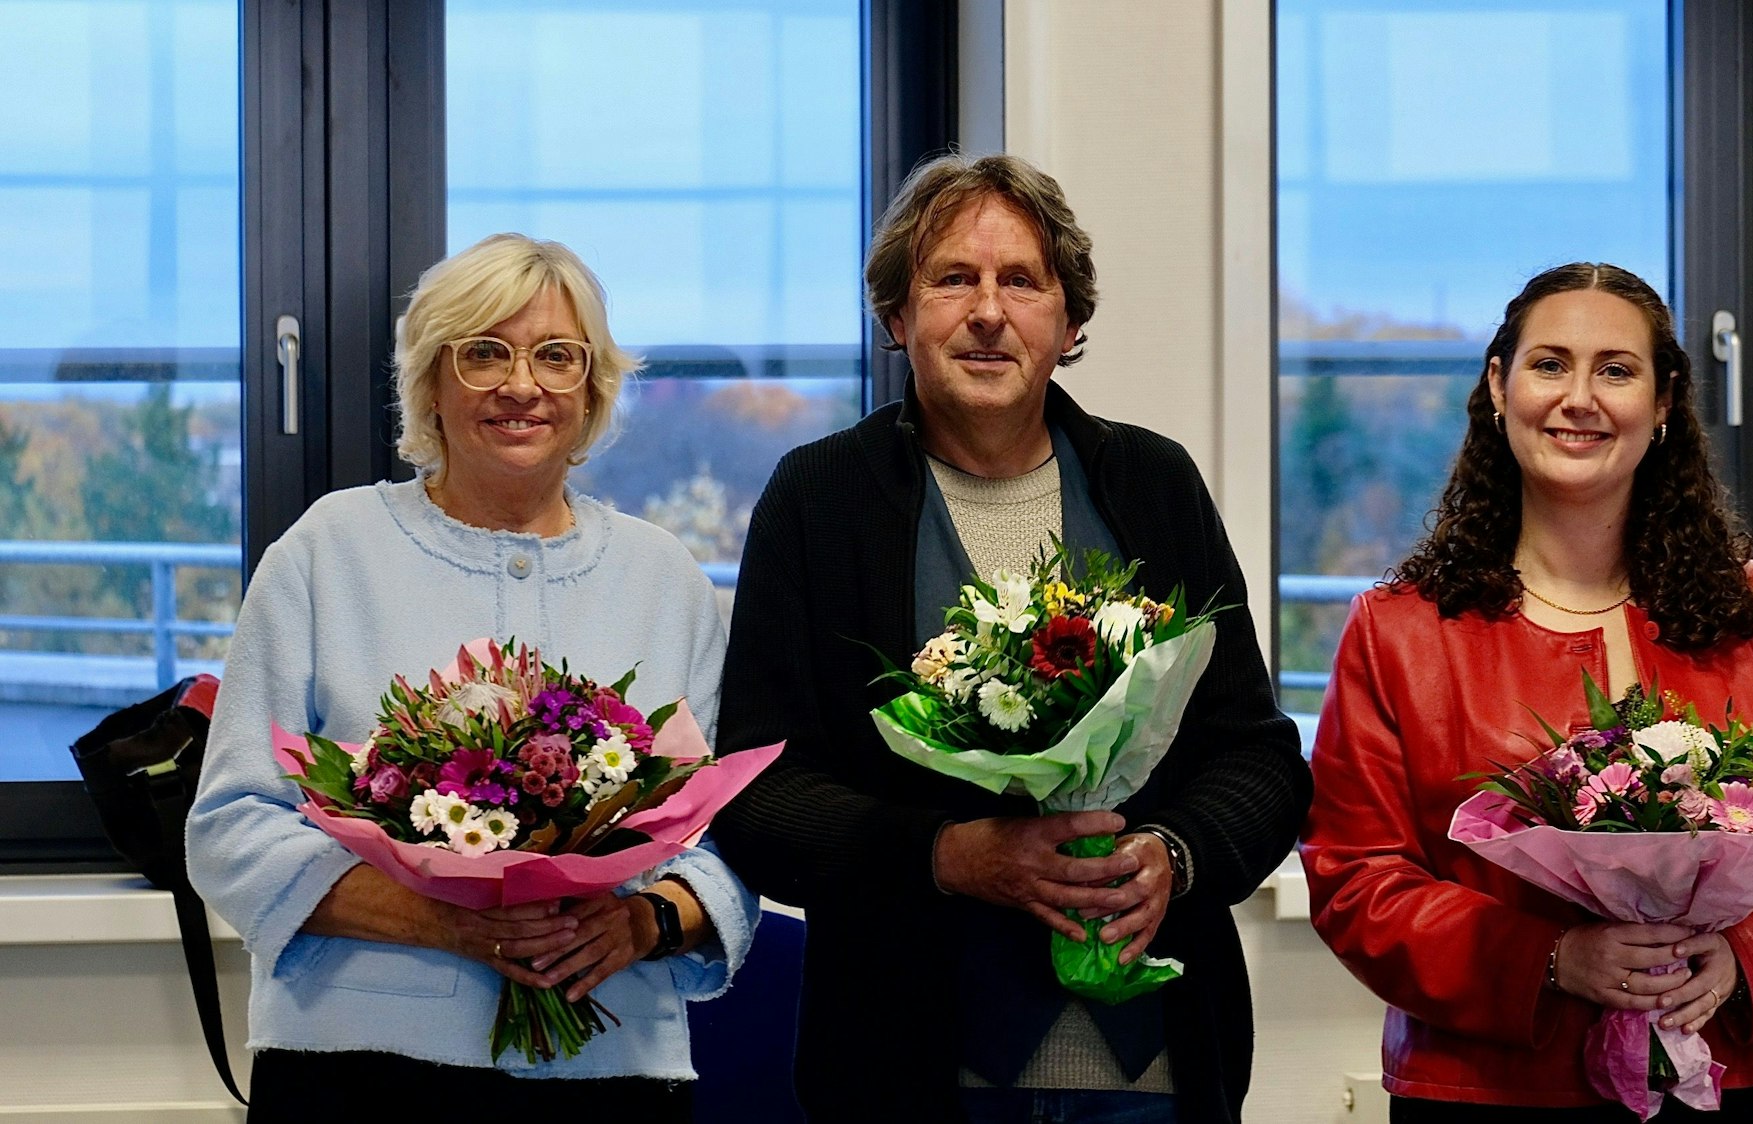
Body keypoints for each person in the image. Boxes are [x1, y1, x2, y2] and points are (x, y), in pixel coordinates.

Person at [709, 153, 1311, 1123]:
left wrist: (1175, 851)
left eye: (1020, 280)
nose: (987, 311)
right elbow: (757, 790)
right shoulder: (819, 501)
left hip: (1154, 1075)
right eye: (953, 278)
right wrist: (944, 852)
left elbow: (1259, 758)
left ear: (1068, 324)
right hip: (904, 1070)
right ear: (898, 317)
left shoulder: (1154, 487)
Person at [1298, 262, 1753, 1121]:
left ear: (1663, 403)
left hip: (1749, 1079)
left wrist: (1742, 959)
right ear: (1497, 385)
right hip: (1492, 1088)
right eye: (1549, 364)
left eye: (1615, 370)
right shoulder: (1398, 629)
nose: (1578, 397)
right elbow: (1356, 878)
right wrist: (1551, 958)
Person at [186, 233, 756, 1120]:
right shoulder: (327, 552)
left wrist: (642, 924)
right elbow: (230, 828)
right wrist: (447, 922)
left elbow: (728, 839)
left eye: (556, 357)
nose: (521, 385)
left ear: (594, 388)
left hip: (612, 1070)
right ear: (433, 383)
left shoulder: (665, 577)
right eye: (484, 352)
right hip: (359, 1070)